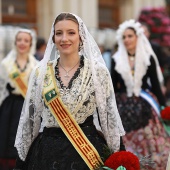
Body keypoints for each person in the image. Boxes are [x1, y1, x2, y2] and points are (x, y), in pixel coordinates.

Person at [14, 13, 125, 170]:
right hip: (46, 154)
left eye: (71, 32)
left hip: (87, 153)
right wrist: (20, 164)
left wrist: (120, 158)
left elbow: (108, 119)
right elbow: (30, 123)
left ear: (81, 37)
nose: (64, 38)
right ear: (53, 38)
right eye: (59, 33)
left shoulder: (97, 72)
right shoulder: (41, 72)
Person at [111, 19, 170, 170]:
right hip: (123, 105)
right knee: (126, 140)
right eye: (124, 37)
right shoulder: (116, 59)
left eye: (130, 36)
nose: (127, 40)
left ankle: (147, 165)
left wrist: (164, 107)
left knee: (148, 140)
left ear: (138, 37)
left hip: (145, 104)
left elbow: (156, 85)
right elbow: (112, 86)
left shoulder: (147, 57)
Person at [0, 28, 38, 170]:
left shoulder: (36, 65)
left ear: (30, 44)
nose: (22, 43)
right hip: (8, 108)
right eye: (19, 40)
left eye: (26, 40)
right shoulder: (6, 64)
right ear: (15, 42)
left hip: (26, 107)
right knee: (6, 140)